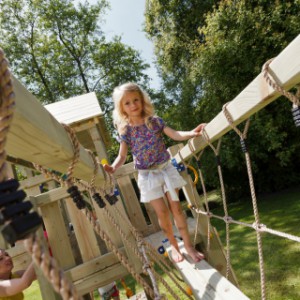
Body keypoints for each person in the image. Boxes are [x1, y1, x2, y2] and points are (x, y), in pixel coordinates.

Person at [103, 82, 205, 263]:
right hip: (147, 176)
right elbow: (122, 155)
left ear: (142, 101)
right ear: (121, 108)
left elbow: (175, 134)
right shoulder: (125, 130)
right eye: (127, 103)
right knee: (162, 214)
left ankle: (188, 246)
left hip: (166, 169)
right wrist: (113, 167)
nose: (133, 105)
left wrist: (190, 133)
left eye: (136, 100)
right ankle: (175, 246)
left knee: (177, 209)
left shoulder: (154, 121)